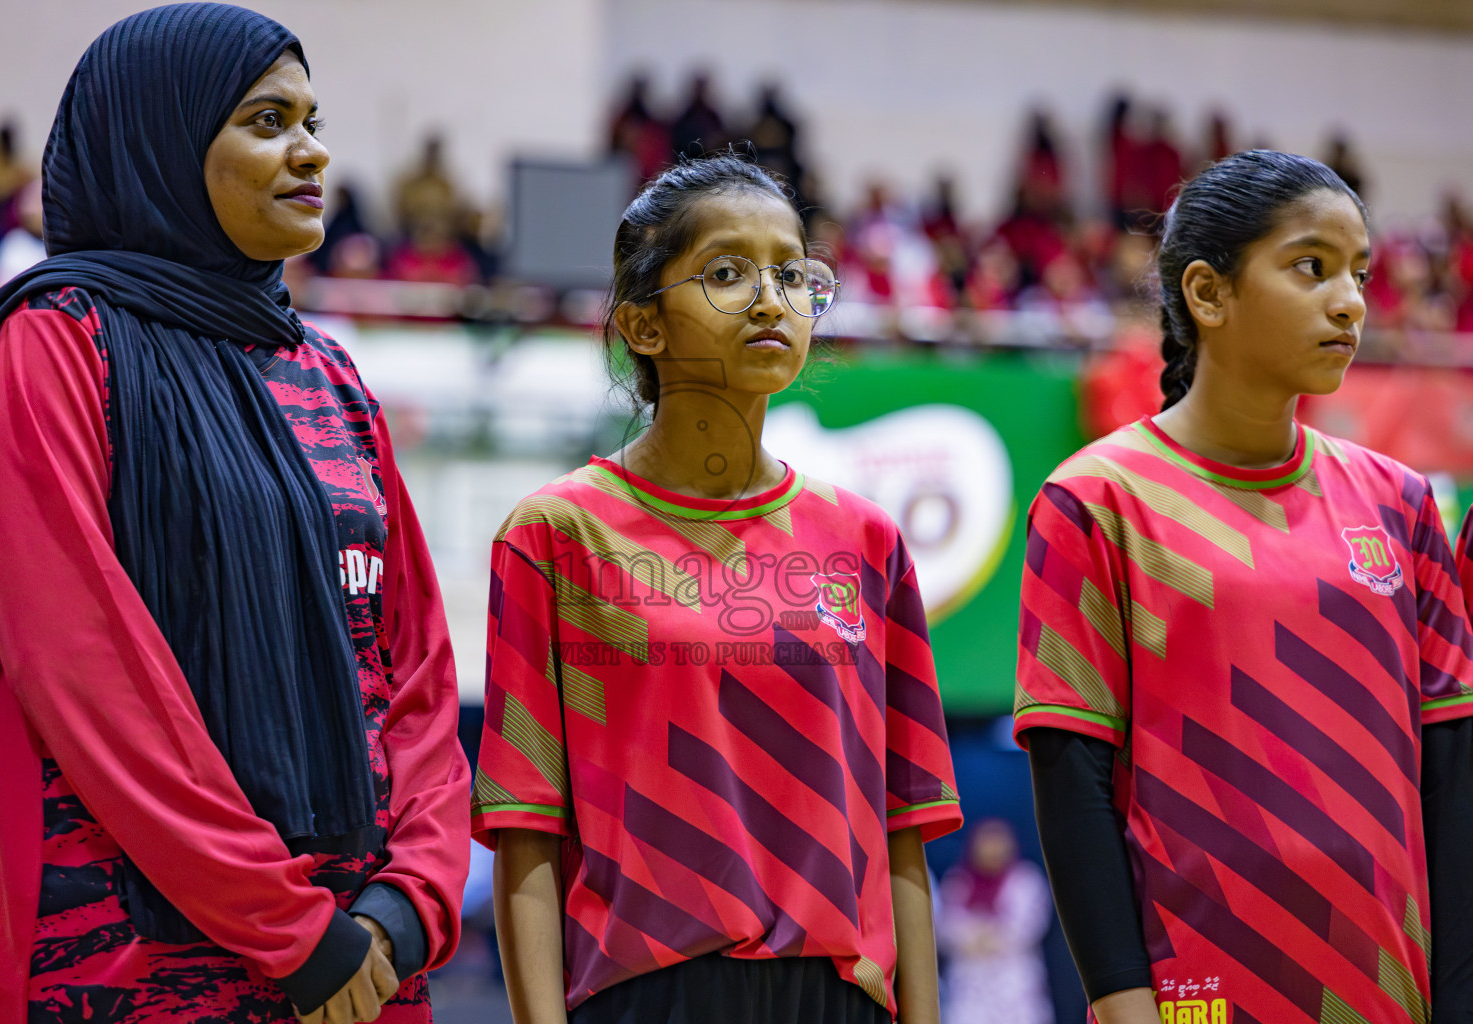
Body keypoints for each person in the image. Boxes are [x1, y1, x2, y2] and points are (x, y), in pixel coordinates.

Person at [0, 5, 471, 1021]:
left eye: (314, 119)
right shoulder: (57, 344)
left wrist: (410, 906)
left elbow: (417, 676)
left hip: (367, 962)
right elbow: (85, 671)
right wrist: (294, 930)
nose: (313, 150)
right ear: (162, 142)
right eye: (268, 121)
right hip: (134, 965)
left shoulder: (332, 374)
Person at [473, 153, 962, 1024]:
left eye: (792, 272)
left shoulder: (869, 541)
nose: (771, 297)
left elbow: (905, 826)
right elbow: (526, 832)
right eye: (729, 273)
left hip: (839, 1000)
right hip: (643, 997)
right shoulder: (555, 537)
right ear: (643, 327)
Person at [1015, 149, 1473, 1024]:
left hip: (1394, 1001)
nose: (1350, 300)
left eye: (1360, 274)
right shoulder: (1093, 503)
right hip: (1200, 1000)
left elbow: (1454, 780)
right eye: (1311, 267)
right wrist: (1123, 1006)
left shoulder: (1406, 505)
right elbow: (1072, 785)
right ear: (1208, 293)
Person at [936, 819, 1052, 1024]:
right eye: (986, 841)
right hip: (968, 987)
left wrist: (982, 932)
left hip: (1015, 985)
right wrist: (981, 933)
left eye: (997, 840)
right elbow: (944, 927)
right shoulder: (958, 879)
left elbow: (1027, 928)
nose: (991, 848)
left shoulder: (1026, 878)